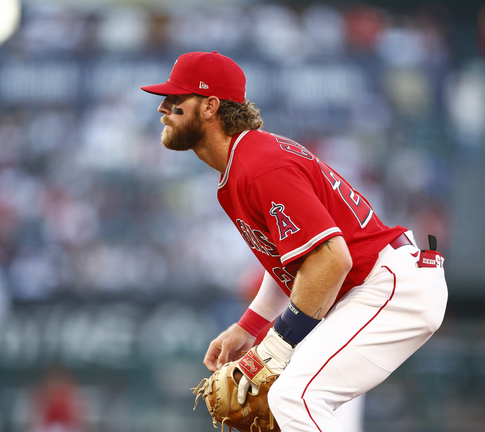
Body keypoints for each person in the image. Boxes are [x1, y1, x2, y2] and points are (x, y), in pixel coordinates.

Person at [141, 51, 448, 432]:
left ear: (210, 106)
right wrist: (249, 327)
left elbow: (331, 260)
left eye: (175, 99)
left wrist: (274, 345)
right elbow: (297, 260)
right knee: (291, 400)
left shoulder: (260, 164)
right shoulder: (244, 165)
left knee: (294, 396)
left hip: (386, 287)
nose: (163, 108)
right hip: (367, 291)